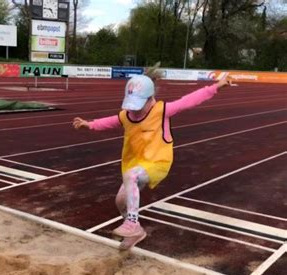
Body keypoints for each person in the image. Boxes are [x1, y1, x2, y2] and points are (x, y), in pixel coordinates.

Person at [73, 71, 231, 250]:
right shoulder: (127, 115)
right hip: (135, 164)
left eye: (139, 105)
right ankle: (137, 232)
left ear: (150, 99)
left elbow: (189, 100)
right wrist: (90, 124)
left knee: (131, 176)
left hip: (158, 162)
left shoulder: (162, 110)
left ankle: (132, 222)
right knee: (120, 201)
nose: (135, 109)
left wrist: (216, 87)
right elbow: (111, 121)